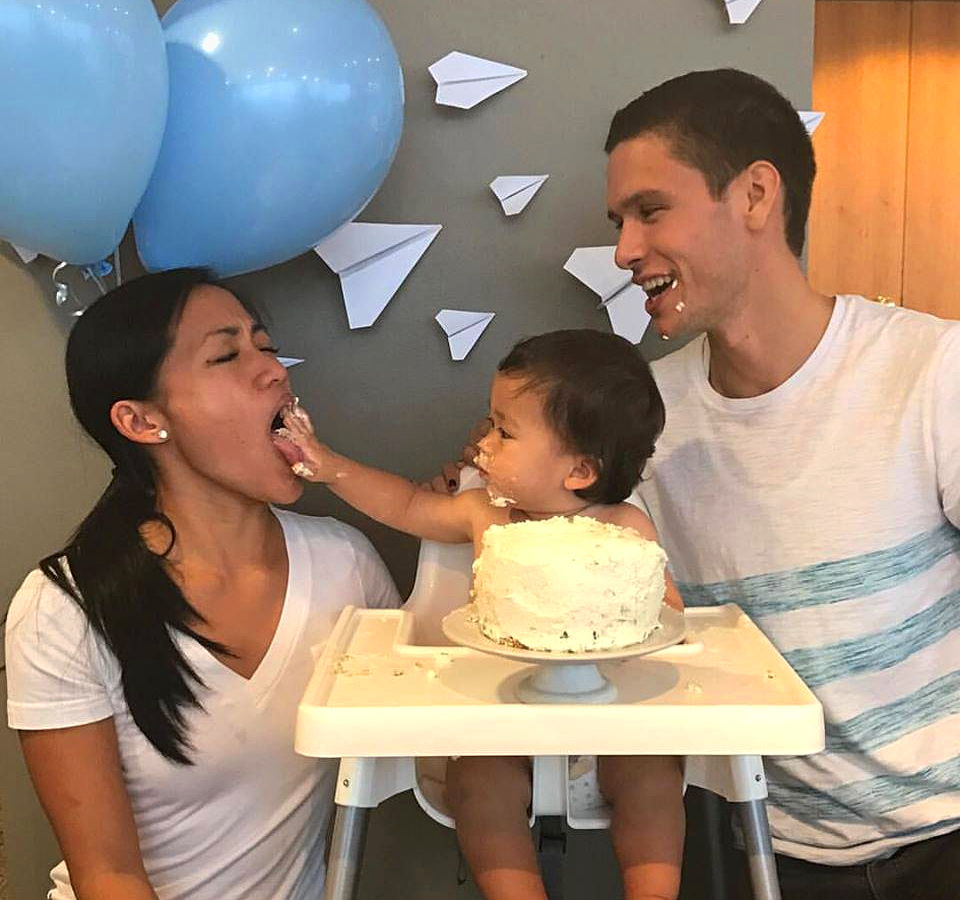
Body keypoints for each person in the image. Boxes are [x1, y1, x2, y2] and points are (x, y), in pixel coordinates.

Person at [445, 68, 960, 899]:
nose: (624, 250)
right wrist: (491, 471)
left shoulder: (933, 371)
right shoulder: (638, 421)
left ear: (755, 195)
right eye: (619, 223)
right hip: (761, 848)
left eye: (650, 211)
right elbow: (567, 554)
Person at [4, 268, 399, 900]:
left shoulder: (346, 566)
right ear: (141, 421)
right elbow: (108, 876)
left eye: (265, 346)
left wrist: (469, 514)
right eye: (226, 355)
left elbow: (434, 751)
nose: (274, 371)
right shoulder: (65, 608)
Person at [276, 328, 686, 900]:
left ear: (580, 472)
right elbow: (406, 504)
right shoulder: (483, 513)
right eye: (491, 424)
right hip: (501, 723)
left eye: (504, 431)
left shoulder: (624, 529)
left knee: (655, 778)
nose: (483, 444)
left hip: (608, 725)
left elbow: (666, 618)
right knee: (475, 784)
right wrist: (331, 467)